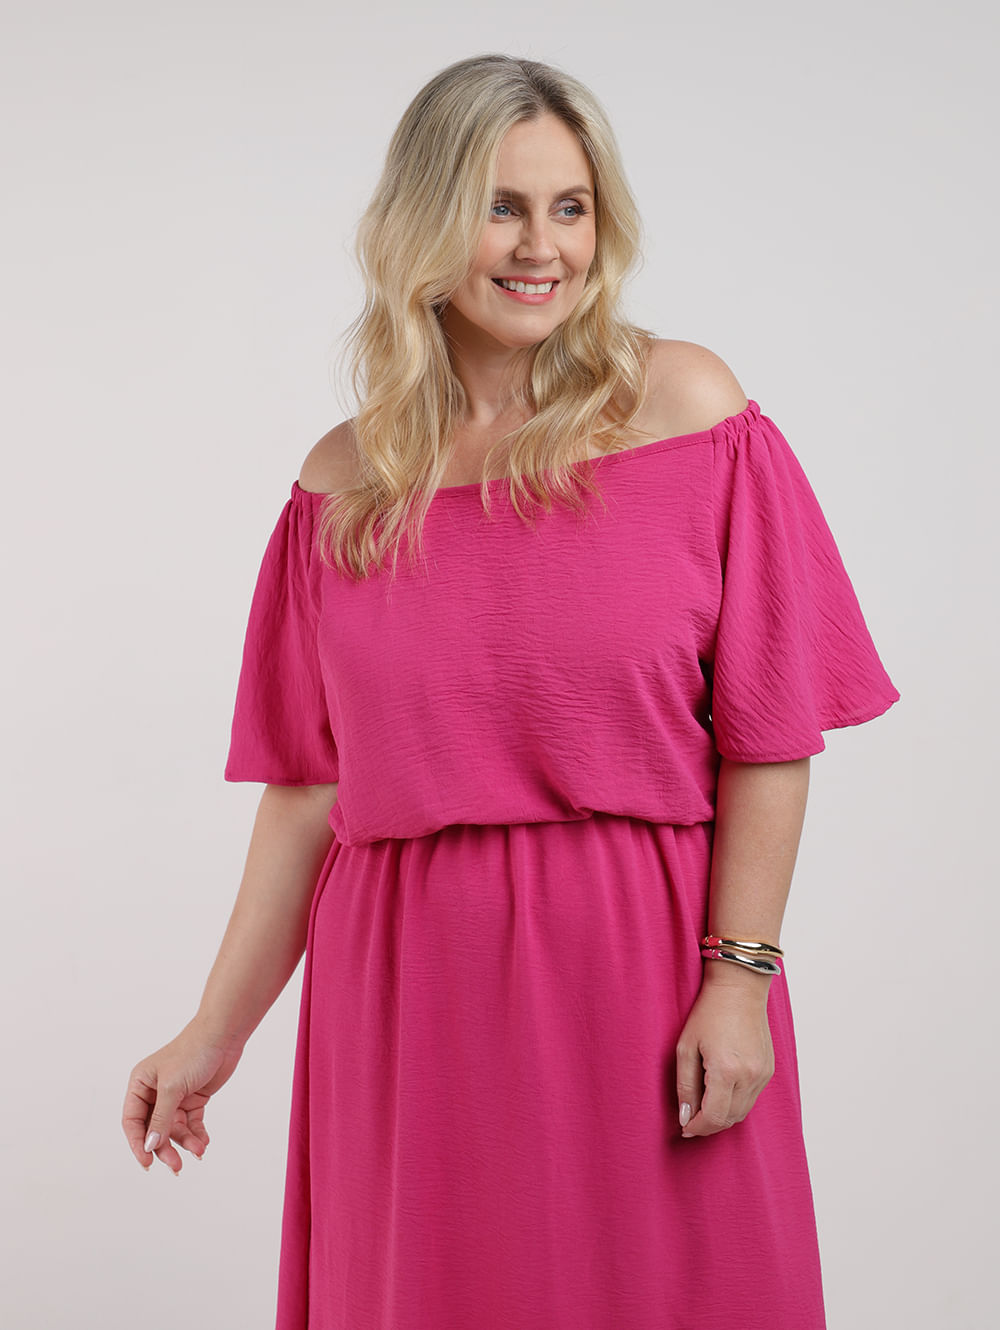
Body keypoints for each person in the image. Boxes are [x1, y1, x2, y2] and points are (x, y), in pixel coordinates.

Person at [122, 53, 898, 1330]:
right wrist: (216, 1029)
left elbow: (769, 732)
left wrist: (739, 980)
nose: (544, 247)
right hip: (407, 990)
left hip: (641, 966)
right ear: (424, 226)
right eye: (502, 207)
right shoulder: (345, 484)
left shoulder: (689, 411)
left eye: (571, 207)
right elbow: (309, 792)